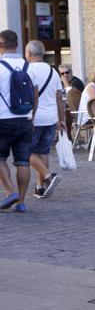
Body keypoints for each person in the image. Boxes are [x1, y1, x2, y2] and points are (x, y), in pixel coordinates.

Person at [0, 29, 36, 213]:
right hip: (25, 119)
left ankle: (9, 191)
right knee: (23, 161)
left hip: (3, 119)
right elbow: (34, 96)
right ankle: (21, 202)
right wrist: (33, 117)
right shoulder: (28, 66)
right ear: (17, 45)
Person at [25, 40, 65, 200]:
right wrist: (61, 119)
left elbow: (29, 96)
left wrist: (30, 118)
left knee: (27, 152)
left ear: (28, 54)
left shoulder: (27, 70)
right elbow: (59, 99)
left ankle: (49, 176)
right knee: (43, 152)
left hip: (34, 118)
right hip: (51, 117)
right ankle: (40, 187)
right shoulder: (53, 71)